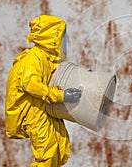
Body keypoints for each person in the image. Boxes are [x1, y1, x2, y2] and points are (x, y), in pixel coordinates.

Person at [5, 15, 81, 166]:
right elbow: (30, 83)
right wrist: (61, 95)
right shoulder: (33, 57)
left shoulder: (47, 59)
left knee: (59, 147)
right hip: (31, 111)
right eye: (61, 37)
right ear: (50, 37)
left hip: (43, 108)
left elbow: (56, 79)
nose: (64, 42)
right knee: (48, 152)